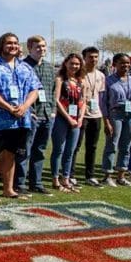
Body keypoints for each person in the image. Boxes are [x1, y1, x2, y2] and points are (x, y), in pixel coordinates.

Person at [0, 32, 40, 201]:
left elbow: (35, 90)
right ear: (1, 46)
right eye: (8, 43)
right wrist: (8, 107)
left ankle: (8, 189)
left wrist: (25, 106)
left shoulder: (25, 67)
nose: (12, 46)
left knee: (11, 155)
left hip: (20, 119)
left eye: (15, 43)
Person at [15, 35, 55, 196]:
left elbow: (52, 91)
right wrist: (28, 110)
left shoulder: (49, 67)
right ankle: (19, 183)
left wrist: (52, 111)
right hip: (30, 115)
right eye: (38, 47)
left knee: (40, 150)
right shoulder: (22, 66)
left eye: (44, 46)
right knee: (25, 150)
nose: (42, 49)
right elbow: (19, 91)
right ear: (30, 48)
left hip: (47, 115)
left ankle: (36, 182)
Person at [100, 53, 131, 187]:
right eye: (122, 63)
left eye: (127, 63)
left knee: (126, 146)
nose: (125, 65)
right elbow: (103, 102)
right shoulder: (108, 80)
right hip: (115, 114)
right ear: (115, 64)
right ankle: (107, 175)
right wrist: (106, 121)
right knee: (112, 144)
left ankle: (121, 176)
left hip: (130, 115)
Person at [50, 53, 86, 193]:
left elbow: (83, 102)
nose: (74, 66)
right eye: (72, 63)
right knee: (59, 149)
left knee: (70, 151)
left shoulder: (80, 81)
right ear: (66, 63)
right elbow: (57, 100)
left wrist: (80, 118)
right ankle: (55, 179)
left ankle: (66, 178)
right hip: (62, 119)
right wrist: (68, 118)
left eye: (77, 64)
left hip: (76, 120)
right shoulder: (60, 79)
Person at [70, 46, 105, 188]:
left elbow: (100, 96)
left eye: (96, 57)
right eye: (90, 57)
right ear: (84, 58)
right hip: (81, 114)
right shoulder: (79, 74)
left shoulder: (101, 75)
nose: (94, 59)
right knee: (75, 146)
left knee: (92, 146)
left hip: (96, 114)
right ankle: (70, 175)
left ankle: (90, 176)